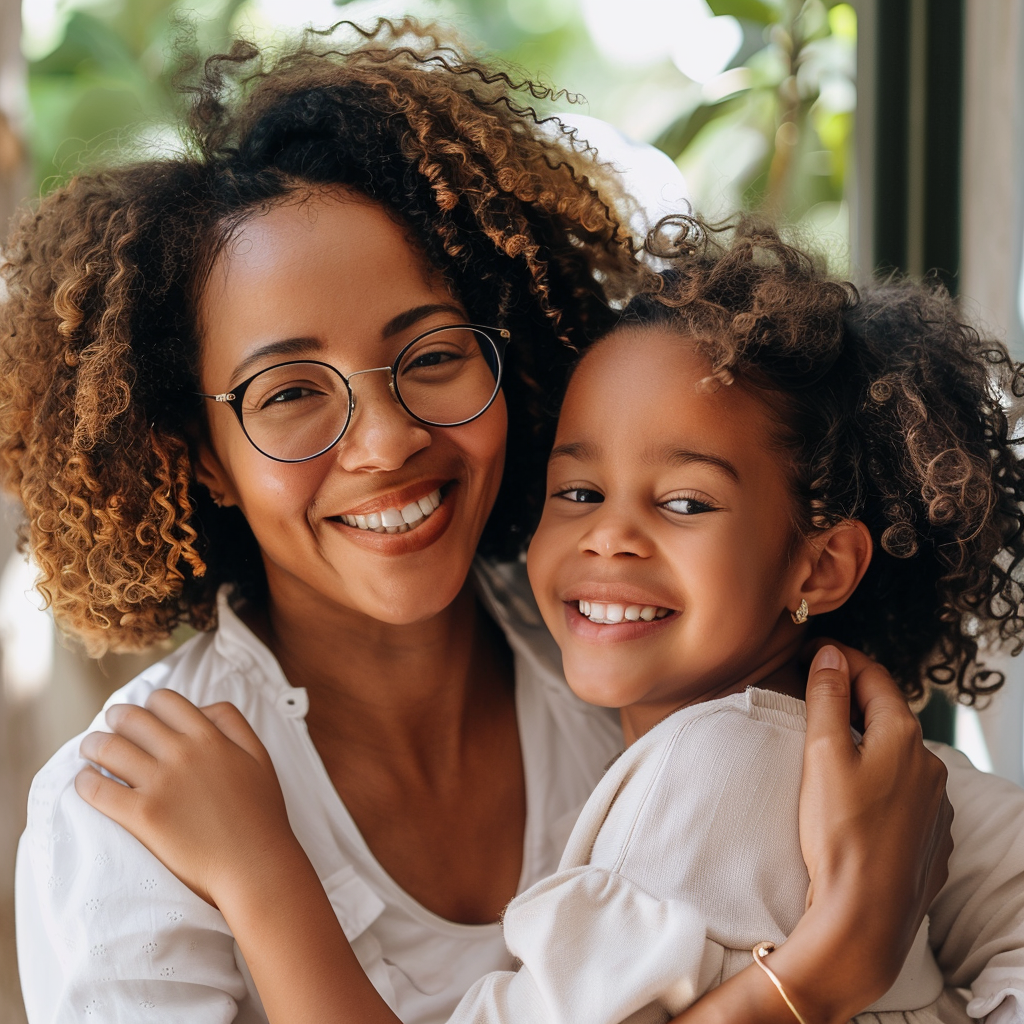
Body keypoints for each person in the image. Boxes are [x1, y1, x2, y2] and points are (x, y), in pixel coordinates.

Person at [3, 25, 953, 1024]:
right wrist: (815, 977)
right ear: (201, 456)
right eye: (289, 393)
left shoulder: (637, 648)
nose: (384, 441)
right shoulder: (126, 813)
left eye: (432, 356)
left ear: (510, 355)